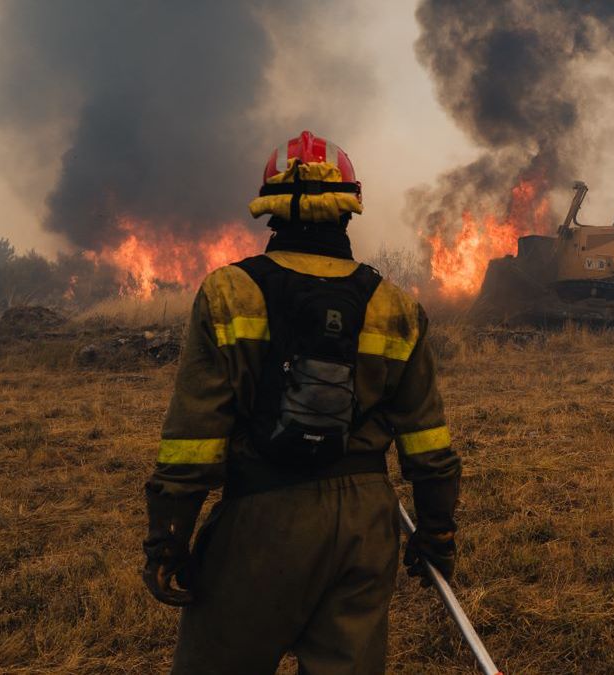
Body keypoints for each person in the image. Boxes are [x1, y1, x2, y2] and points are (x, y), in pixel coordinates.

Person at [141, 130, 461, 674]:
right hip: (365, 524)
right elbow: (428, 441)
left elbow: (194, 437)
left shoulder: (228, 293)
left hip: (263, 515)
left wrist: (169, 536)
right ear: (348, 210)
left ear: (270, 209)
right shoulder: (395, 306)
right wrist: (438, 531)